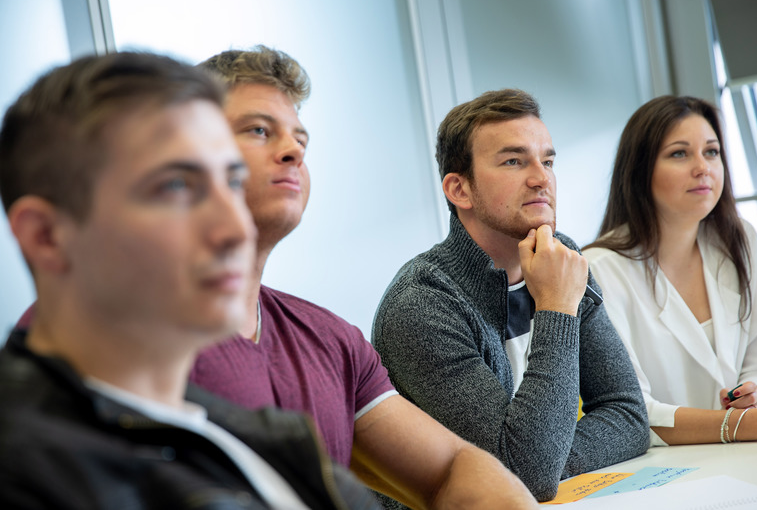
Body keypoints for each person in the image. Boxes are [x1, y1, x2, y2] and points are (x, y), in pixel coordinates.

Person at [0, 51, 381, 509]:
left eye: (232, 181)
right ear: (47, 237)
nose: (235, 228)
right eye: (177, 186)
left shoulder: (239, 434)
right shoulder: (29, 472)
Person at [189, 47, 538, 509]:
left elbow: (454, 467)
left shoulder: (330, 340)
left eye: (300, 139)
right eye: (259, 130)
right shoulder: (138, 342)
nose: (293, 150)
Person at [372, 88, 651, 503]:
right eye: (514, 161)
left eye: (548, 161)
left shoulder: (563, 257)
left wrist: (541, 458)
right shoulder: (423, 304)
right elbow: (522, 473)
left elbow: (628, 414)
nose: (542, 178)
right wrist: (557, 307)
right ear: (459, 190)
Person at [582, 95, 757, 446]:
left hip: (746, 458)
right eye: (679, 153)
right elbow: (632, 412)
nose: (703, 168)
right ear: (640, 171)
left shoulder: (739, 239)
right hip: (660, 472)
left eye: (711, 152)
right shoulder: (598, 269)